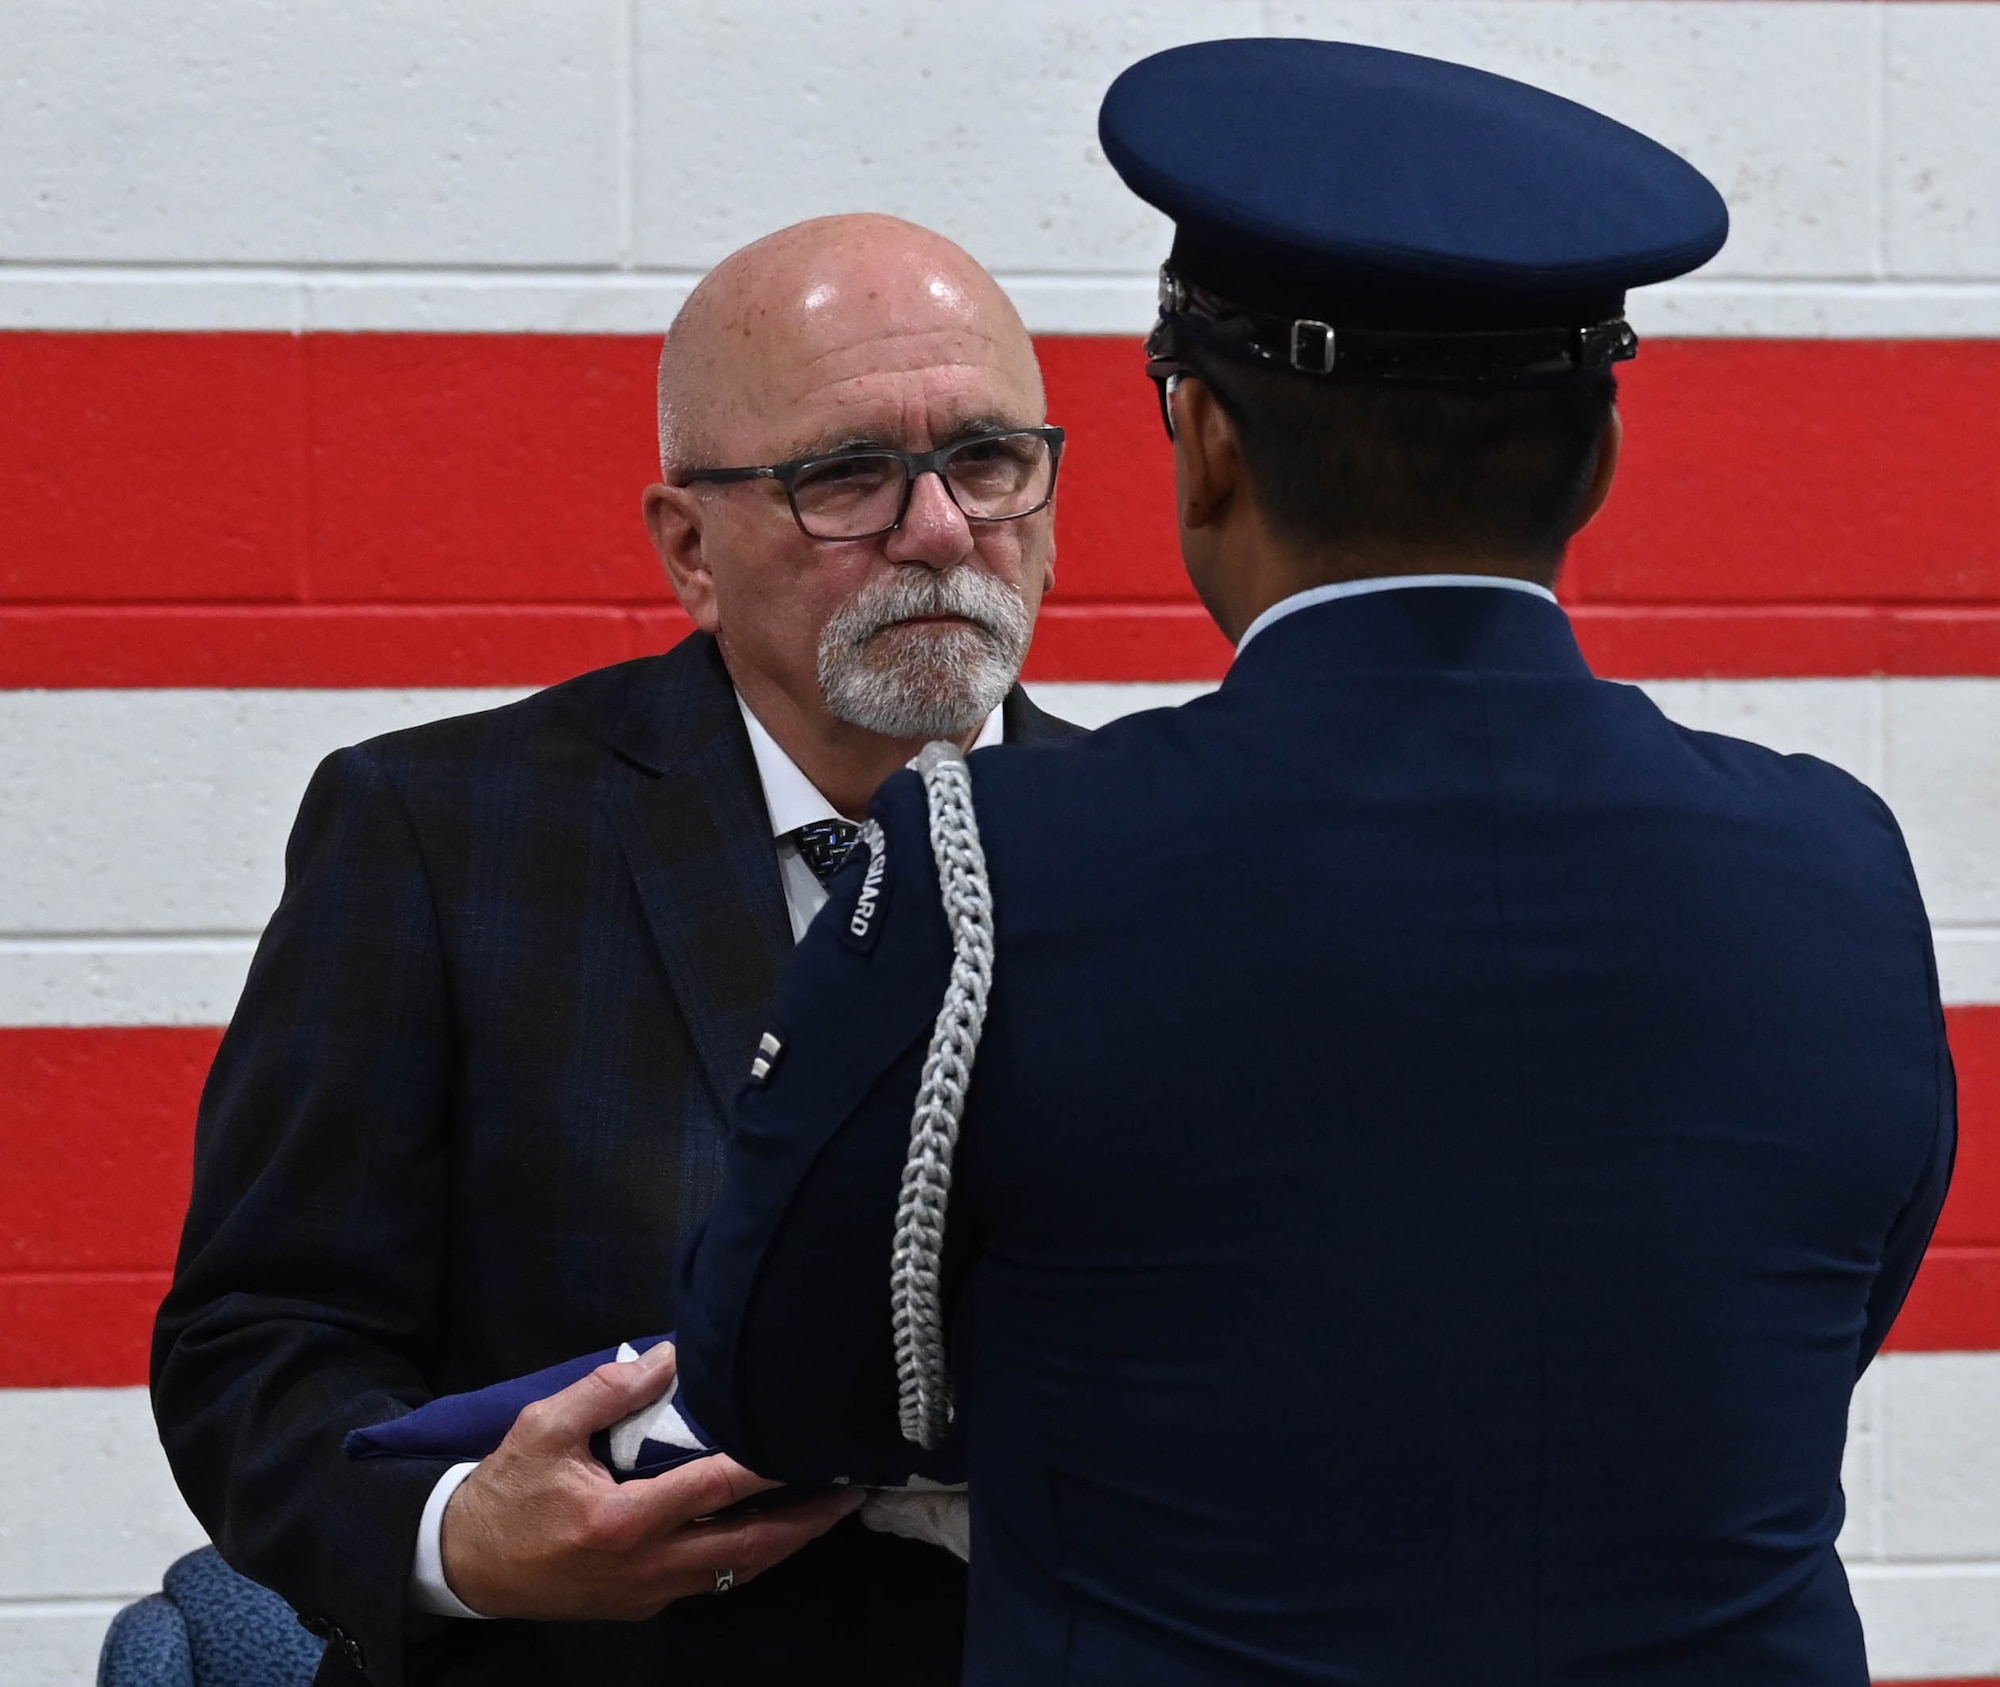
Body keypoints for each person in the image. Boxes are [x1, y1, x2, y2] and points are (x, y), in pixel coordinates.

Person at [675, 41, 1958, 1687]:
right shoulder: (1835, 862)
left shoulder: (993, 868)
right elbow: (1811, 1331)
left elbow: (791, 1391)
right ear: (1601, 456)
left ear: (1201, 440)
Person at [152, 212, 1078, 1687]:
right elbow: (258, 1343)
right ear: (690, 548)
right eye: (846, 475)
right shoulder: (439, 837)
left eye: (986, 457)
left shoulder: (1172, 859)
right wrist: (460, 1537)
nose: (941, 529)